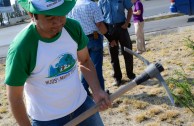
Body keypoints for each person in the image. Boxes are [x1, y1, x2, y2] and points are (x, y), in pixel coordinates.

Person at [4, 0, 111, 126]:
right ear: (31, 14)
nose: (58, 22)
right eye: (50, 17)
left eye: (61, 14)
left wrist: (97, 90)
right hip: (47, 120)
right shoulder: (22, 48)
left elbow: (85, 61)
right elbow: (15, 98)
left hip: (82, 106)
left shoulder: (72, 28)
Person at [68, 0, 113, 95]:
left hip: (80, 41)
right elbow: (100, 24)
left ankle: (84, 91)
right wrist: (110, 38)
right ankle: (100, 91)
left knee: (84, 65)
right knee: (96, 67)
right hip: (94, 38)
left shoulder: (73, 7)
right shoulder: (92, 5)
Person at [98, 0, 136, 86]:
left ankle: (131, 75)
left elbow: (130, 9)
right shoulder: (101, 1)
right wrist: (106, 33)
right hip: (109, 29)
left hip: (121, 27)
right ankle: (117, 78)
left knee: (127, 52)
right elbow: (100, 17)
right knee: (113, 55)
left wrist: (127, 23)